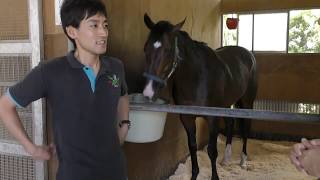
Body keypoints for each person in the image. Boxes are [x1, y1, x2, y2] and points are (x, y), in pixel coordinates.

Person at [0, 0, 130, 179]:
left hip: (116, 172)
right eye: (94, 25)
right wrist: (30, 148)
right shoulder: (50, 72)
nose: (104, 32)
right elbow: (5, 105)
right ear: (72, 31)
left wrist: (124, 124)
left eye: (105, 25)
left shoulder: (116, 67)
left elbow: (123, 95)